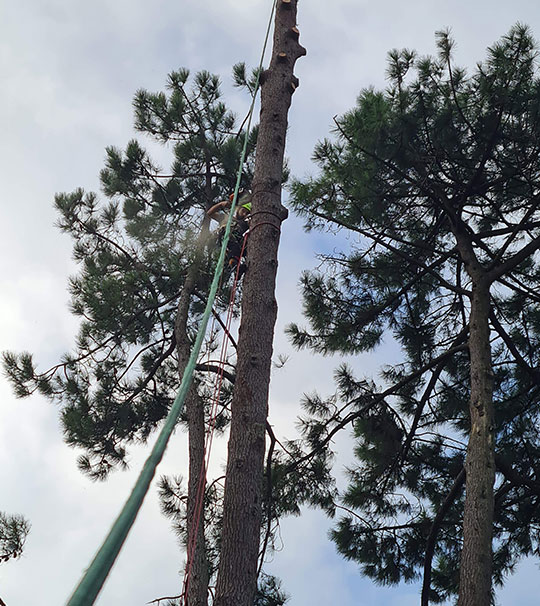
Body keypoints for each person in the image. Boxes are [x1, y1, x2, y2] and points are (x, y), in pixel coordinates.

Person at [207, 190, 252, 279]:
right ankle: (235, 266)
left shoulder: (245, 223)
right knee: (234, 246)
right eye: (243, 210)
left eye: (246, 213)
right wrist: (221, 205)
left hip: (237, 239)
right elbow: (210, 213)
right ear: (238, 208)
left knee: (247, 247)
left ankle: (238, 267)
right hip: (227, 235)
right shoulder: (227, 218)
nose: (244, 214)